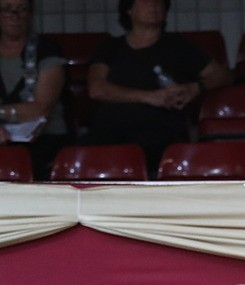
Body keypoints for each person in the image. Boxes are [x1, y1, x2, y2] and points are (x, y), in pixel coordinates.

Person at [86, 0, 230, 174]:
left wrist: (194, 88)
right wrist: (150, 97)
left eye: (159, 2)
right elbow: (97, 88)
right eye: (146, 1)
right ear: (129, 9)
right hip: (110, 134)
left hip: (162, 134)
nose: (154, 6)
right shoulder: (109, 47)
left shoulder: (179, 45)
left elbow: (222, 74)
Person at [0, 0, 69, 180]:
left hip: (44, 136)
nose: (15, 16)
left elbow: (41, 108)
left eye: (22, 9)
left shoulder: (48, 50)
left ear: (30, 14)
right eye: (7, 10)